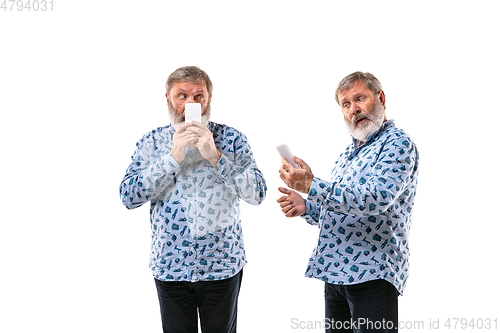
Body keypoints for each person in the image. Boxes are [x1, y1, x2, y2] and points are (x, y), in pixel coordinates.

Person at [120, 66, 267, 333]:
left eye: (199, 96)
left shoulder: (232, 139)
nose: (191, 104)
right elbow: (128, 197)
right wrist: (171, 158)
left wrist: (215, 156)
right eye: (182, 96)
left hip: (222, 266)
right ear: (168, 99)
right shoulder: (151, 143)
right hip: (170, 267)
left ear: (209, 98)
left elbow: (257, 194)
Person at [277, 72, 419, 332]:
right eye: (346, 104)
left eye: (360, 99)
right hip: (335, 272)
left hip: (372, 274)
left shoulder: (397, 144)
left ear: (381, 98)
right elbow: (343, 208)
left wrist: (311, 185)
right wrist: (306, 206)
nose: (354, 109)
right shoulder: (349, 153)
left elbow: (376, 199)